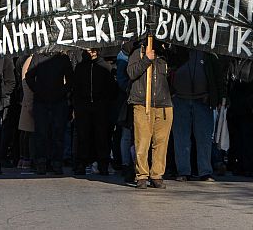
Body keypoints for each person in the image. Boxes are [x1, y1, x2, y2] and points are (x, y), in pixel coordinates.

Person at [170, 47, 223, 182]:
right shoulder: (177, 52)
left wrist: (221, 97)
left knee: (204, 138)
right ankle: (183, 171)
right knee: (181, 138)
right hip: (180, 99)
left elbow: (218, 78)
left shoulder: (210, 55)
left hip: (203, 101)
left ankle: (205, 171)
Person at [126, 39, 173, 190]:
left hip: (164, 104)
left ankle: (157, 175)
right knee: (143, 141)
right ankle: (141, 175)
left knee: (161, 142)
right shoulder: (137, 52)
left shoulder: (167, 54)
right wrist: (146, 59)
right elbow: (131, 73)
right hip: (142, 103)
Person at [26, 51, 74, 176]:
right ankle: (42, 162)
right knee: (42, 133)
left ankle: (56, 162)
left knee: (57, 132)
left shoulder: (63, 58)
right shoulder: (38, 57)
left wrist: (62, 92)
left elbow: (70, 79)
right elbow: (29, 76)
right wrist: (38, 90)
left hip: (57, 100)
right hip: (42, 100)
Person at [71, 48, 117, 176]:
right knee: (83, 135)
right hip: (83, 106)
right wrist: (77, 105)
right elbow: (75, 87)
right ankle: (82, 163)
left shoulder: (105, 66)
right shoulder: (80, 67)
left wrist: (105, 102)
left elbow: (111, 88)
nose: (91, 52)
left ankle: (103, 164)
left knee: (101, 136)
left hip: (100, 106)